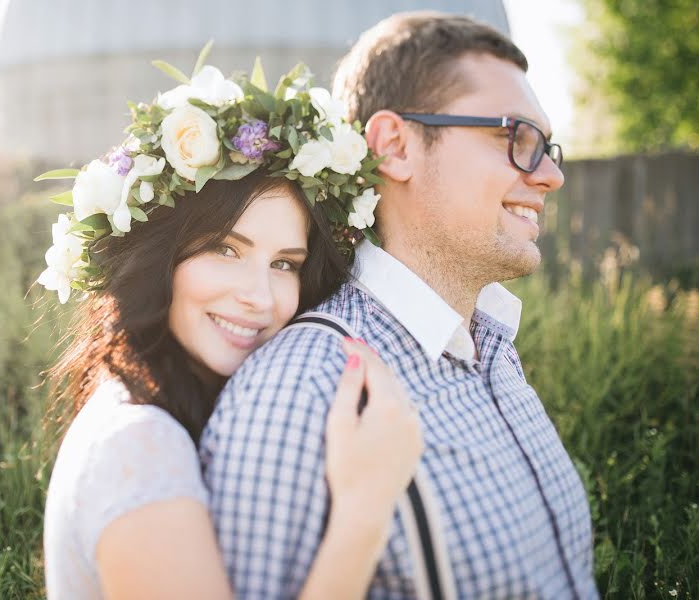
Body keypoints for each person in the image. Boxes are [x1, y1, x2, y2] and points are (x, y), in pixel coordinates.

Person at [200, 12, 600, 600]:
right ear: (395, 146)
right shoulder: (302, 390)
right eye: (515, 138)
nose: (552, 176)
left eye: (547, 146)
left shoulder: (493, 350)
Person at [38, 57, 423, 599]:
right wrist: (365, 510)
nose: (259, 297)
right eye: (226, 249)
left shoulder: (182, 411)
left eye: (284, 263)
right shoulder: (139, 445)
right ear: (160, 258)